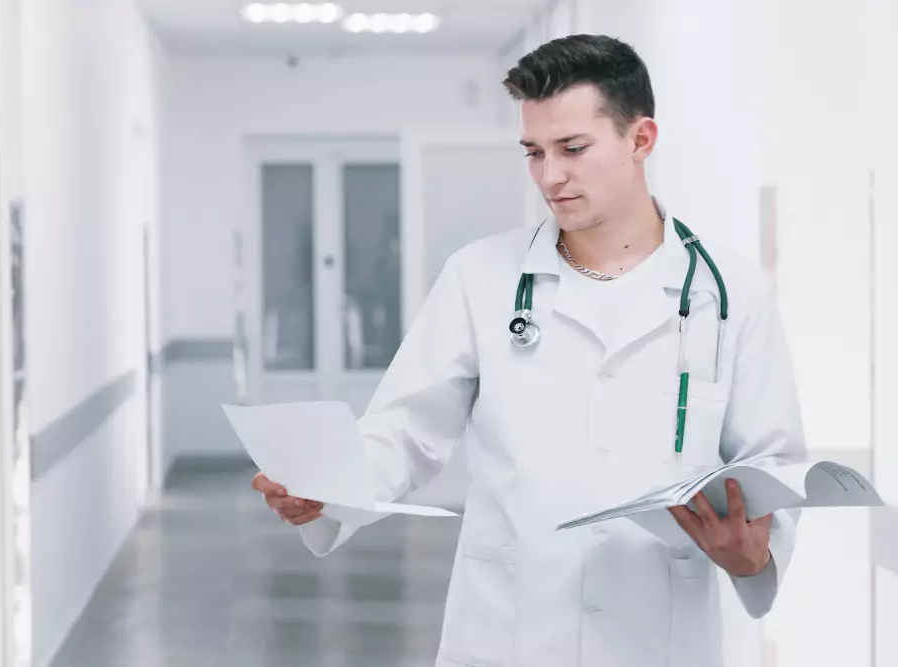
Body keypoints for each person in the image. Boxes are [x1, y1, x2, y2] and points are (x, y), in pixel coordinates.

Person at [253, 34, 806, 667]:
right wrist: (327, 488)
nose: (550, 175)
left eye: (572, 149)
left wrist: (753, 556)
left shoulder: (729, 292)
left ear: (640, 139)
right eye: (534, 152)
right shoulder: (480, 277)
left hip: (659, 634)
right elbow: (404, 430)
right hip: (506, 632)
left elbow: (773, 463)